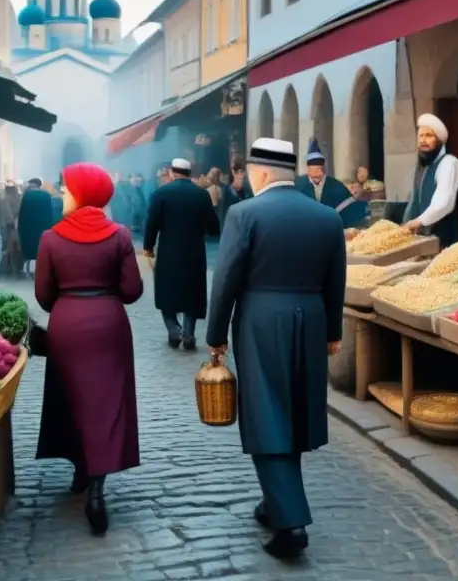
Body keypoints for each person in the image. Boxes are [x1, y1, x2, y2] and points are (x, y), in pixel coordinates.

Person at [206, 138, 345, 559]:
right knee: (296, 412)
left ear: (260, 173)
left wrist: (215, 335)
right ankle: (274, 502)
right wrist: (332, 332)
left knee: (266, 413)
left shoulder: (243, 213)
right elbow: (335, 278)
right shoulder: (325, 217)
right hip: (312, 317)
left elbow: (226, 278)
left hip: (262, 321)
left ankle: (291, 524)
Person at [34, 163, 143, 536]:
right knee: (106, 401)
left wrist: (68, 303)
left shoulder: (51, 238)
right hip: (109, 323)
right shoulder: (120, 236)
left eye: (66, 190)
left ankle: (81, 470)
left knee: (71, 397)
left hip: (67, 321)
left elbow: (44, 295)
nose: (62, 194)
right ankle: (96, 485)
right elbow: (132, 290)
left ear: (81, 194)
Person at [143, 158, 219, 350]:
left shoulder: (161, 194)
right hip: (195, 252)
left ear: (171, 173)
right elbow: (213, 227)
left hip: (169, 251)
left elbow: (152, 223)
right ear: (189, 173)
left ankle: (173, 330)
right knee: (192, 292)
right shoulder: (201, 195)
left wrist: (148, 246)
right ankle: (189, 332)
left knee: (166, 291)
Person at [401, 114, 458, 248]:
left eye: (429, 136)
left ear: (439, 141)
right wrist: (405, 225)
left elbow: (444, 203)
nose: (423, 140)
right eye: (421, 136)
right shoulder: (421, 167)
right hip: (420, 240)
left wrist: (417, 222)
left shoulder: (449, 163)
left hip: (443, 241)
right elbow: (413, 200)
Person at [294, 139, 367, 229]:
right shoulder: (296, 185)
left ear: (324, 169)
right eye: (314, 174)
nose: (317, 176)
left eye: (319, 172)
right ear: (307, 169)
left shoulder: (337, 186)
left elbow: (352, 213)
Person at [19, 178, 54, 276]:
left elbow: (22, 214)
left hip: (29, 230)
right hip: (44, 229)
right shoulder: (46, 195)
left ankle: (28, 266)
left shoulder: (27, 196)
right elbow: (50, 214)